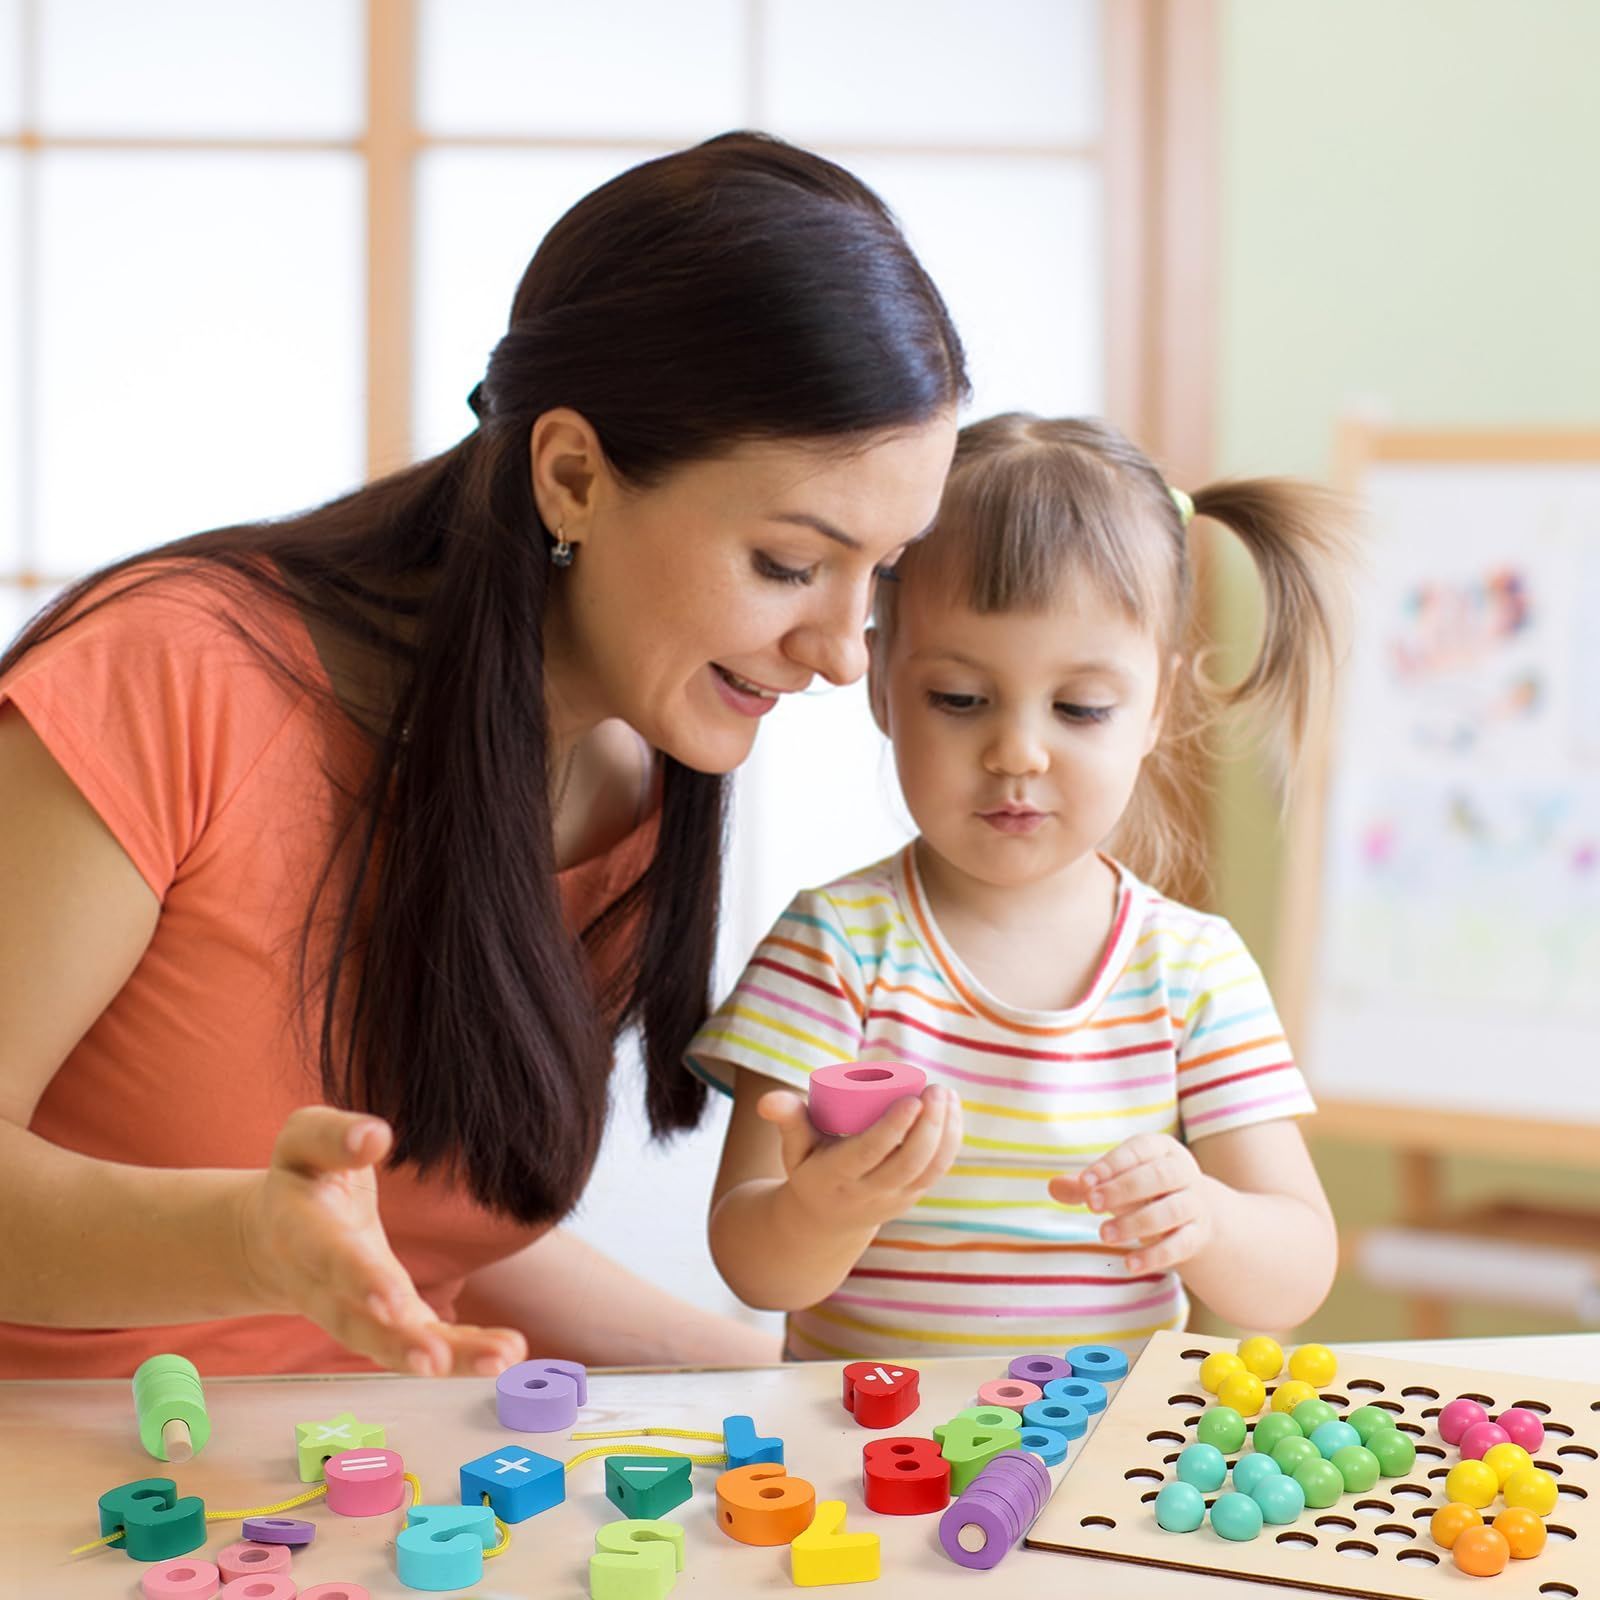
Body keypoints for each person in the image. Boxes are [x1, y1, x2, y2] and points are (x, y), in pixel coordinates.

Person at [0, 132, 966, 1378]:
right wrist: (245, 1236)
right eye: (789, 564)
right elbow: (303, 1244)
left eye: (878, 574)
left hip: (380, 1501)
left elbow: (428, 1226)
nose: (841, 653)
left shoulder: (630, 780)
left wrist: (780, 1386)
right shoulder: (169, 677)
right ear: (572, 475)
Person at [693, 413, 1347, 1361]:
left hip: (1105, 1468)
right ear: (882, 685)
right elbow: (752, 1265)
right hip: (870, 1469)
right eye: (959, 699)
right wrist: (821, 1212)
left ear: (1157, 705)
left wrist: (1203, 1214)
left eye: (1081, 707)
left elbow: (1299, 1266)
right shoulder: (835, 945)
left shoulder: (1192, 970)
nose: (1017, 751)